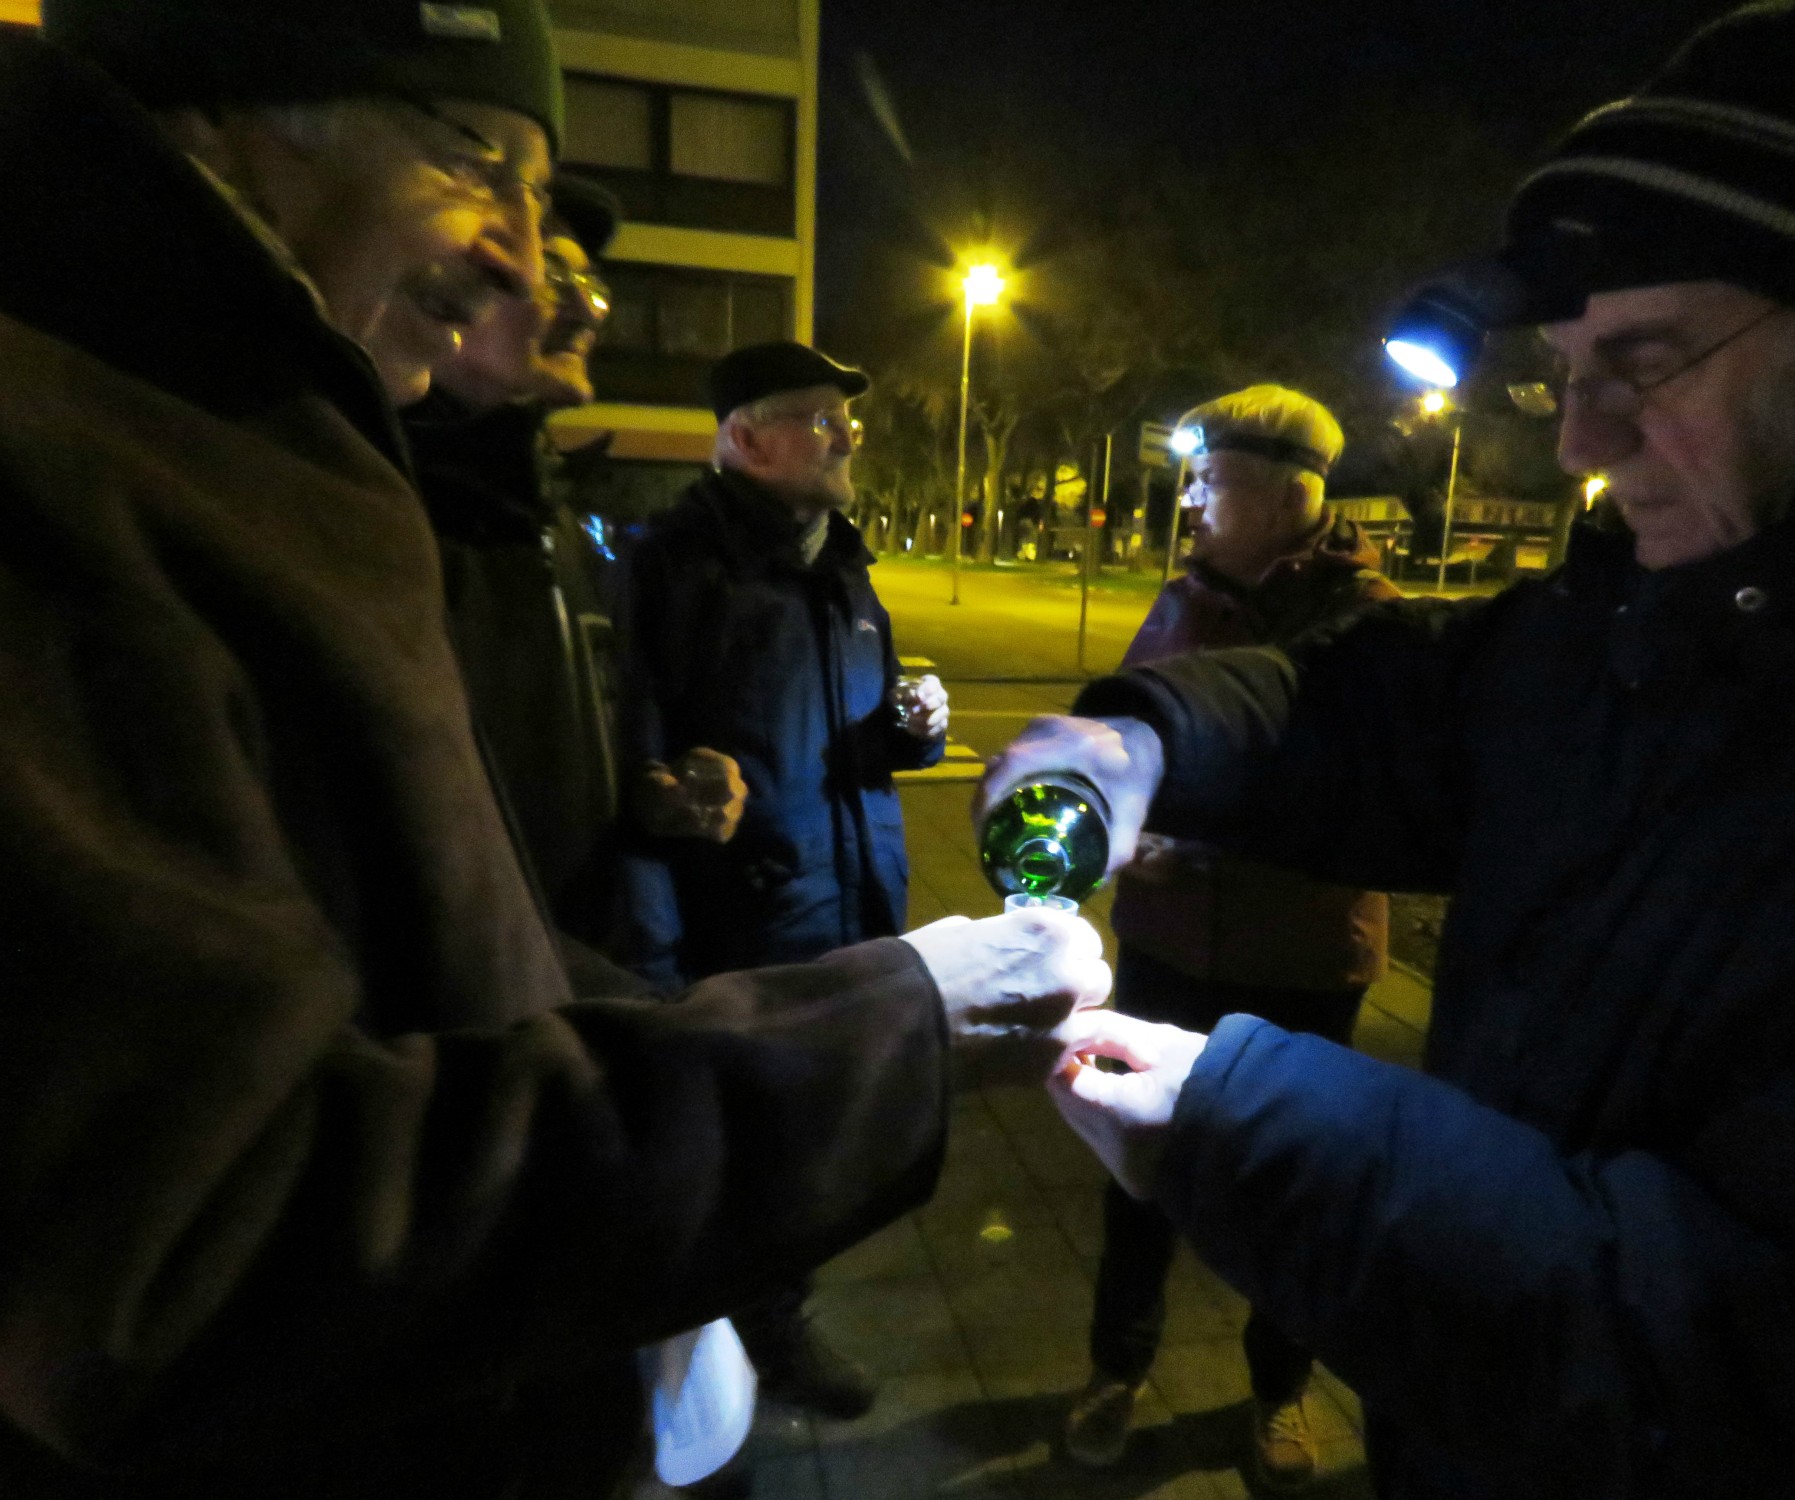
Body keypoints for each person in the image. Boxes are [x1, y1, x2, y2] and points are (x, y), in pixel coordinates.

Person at [0, 6, 1109, 1498]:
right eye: (478, 161)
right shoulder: (80, 475)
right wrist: (883, 1029)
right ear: (248, 99)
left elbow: (444, 961)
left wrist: (759, 994)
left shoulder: (261, 445)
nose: (523, 261)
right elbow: (197, 1247)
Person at [988, 1, 1795, 1495]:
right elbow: (1394, 710)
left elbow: (1763, 1363)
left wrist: (1244, 1126)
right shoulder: (1641, 613)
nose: (1582, 440)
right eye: (1565, 369)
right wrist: (1142, 739)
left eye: (1644, 360)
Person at [1063, 385, 1398, 1490]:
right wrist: (1131, 825)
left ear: (1288, 491)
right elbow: (1129, 737)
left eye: (1210, 477)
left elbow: (1384, 798)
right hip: (1165, 942)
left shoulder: (1371, 624)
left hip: (1300, 961)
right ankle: (1116, 1368)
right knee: (1134, 1165)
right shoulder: (1177, 603)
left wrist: (1225, 840)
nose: (1189, 496)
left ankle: (1276, 1390)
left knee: (1292, 1177)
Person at [617, 342, 951, 1417]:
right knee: (732, 1150)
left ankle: (773, 1320)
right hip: (737, 929)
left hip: (845, 911)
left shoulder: (842, 563)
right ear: (743, 438)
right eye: (817, 418)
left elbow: (858, 743)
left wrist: (910, 731)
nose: (846, 434)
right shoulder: (672, 566)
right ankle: (712, 1340)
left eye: (843, 418)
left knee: (807, 1143)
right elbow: (635, 757)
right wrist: (654, 951)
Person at [405, 174, 682, 969]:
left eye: (592, 285)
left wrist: (648, 798)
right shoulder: (390, 512)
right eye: (556, 280)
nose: (585, 310)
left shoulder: (545, 514)